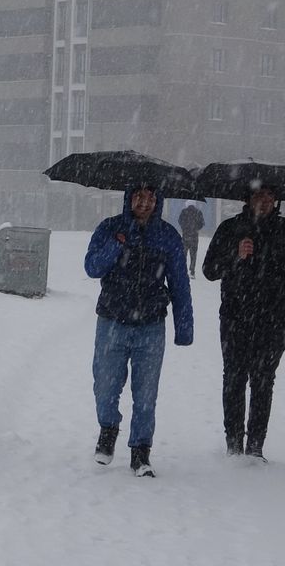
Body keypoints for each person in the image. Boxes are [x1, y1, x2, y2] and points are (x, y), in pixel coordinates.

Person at [84, 182, 194, 477]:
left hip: (151, 325)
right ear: (128, 198)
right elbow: (92, 267)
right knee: (105, 386)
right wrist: (117, 244)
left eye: (150, 198)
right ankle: (108, 431)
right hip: (112, 321)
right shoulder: (109, 228)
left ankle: (140, 452)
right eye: (139, 197)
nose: (144, 203)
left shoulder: (167, 236)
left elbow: (180, 283)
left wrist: (184, 326)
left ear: (158, 201)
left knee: (146, 394)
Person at [202, 185, 285, 461]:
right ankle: (233, 442)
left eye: (270, 197)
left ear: (276, 200)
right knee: (234, 378)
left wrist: (284, 297)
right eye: (258, 196)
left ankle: (255, 445)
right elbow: (209, 270)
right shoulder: (231, 228)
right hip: (234, 316)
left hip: (273, 320)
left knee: (263, 381)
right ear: (247, 198)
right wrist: (235, 254)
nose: (264, 201)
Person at [178, 201, 205, 278]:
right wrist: (196, 228)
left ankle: (183, 270)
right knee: (193, 255)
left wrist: (184, 228)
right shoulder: (198, 212)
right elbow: (202, 223)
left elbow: (179, 221)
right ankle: (192, 271)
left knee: (184, 254)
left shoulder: (184, 212)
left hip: (185, 235)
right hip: (194, 237)